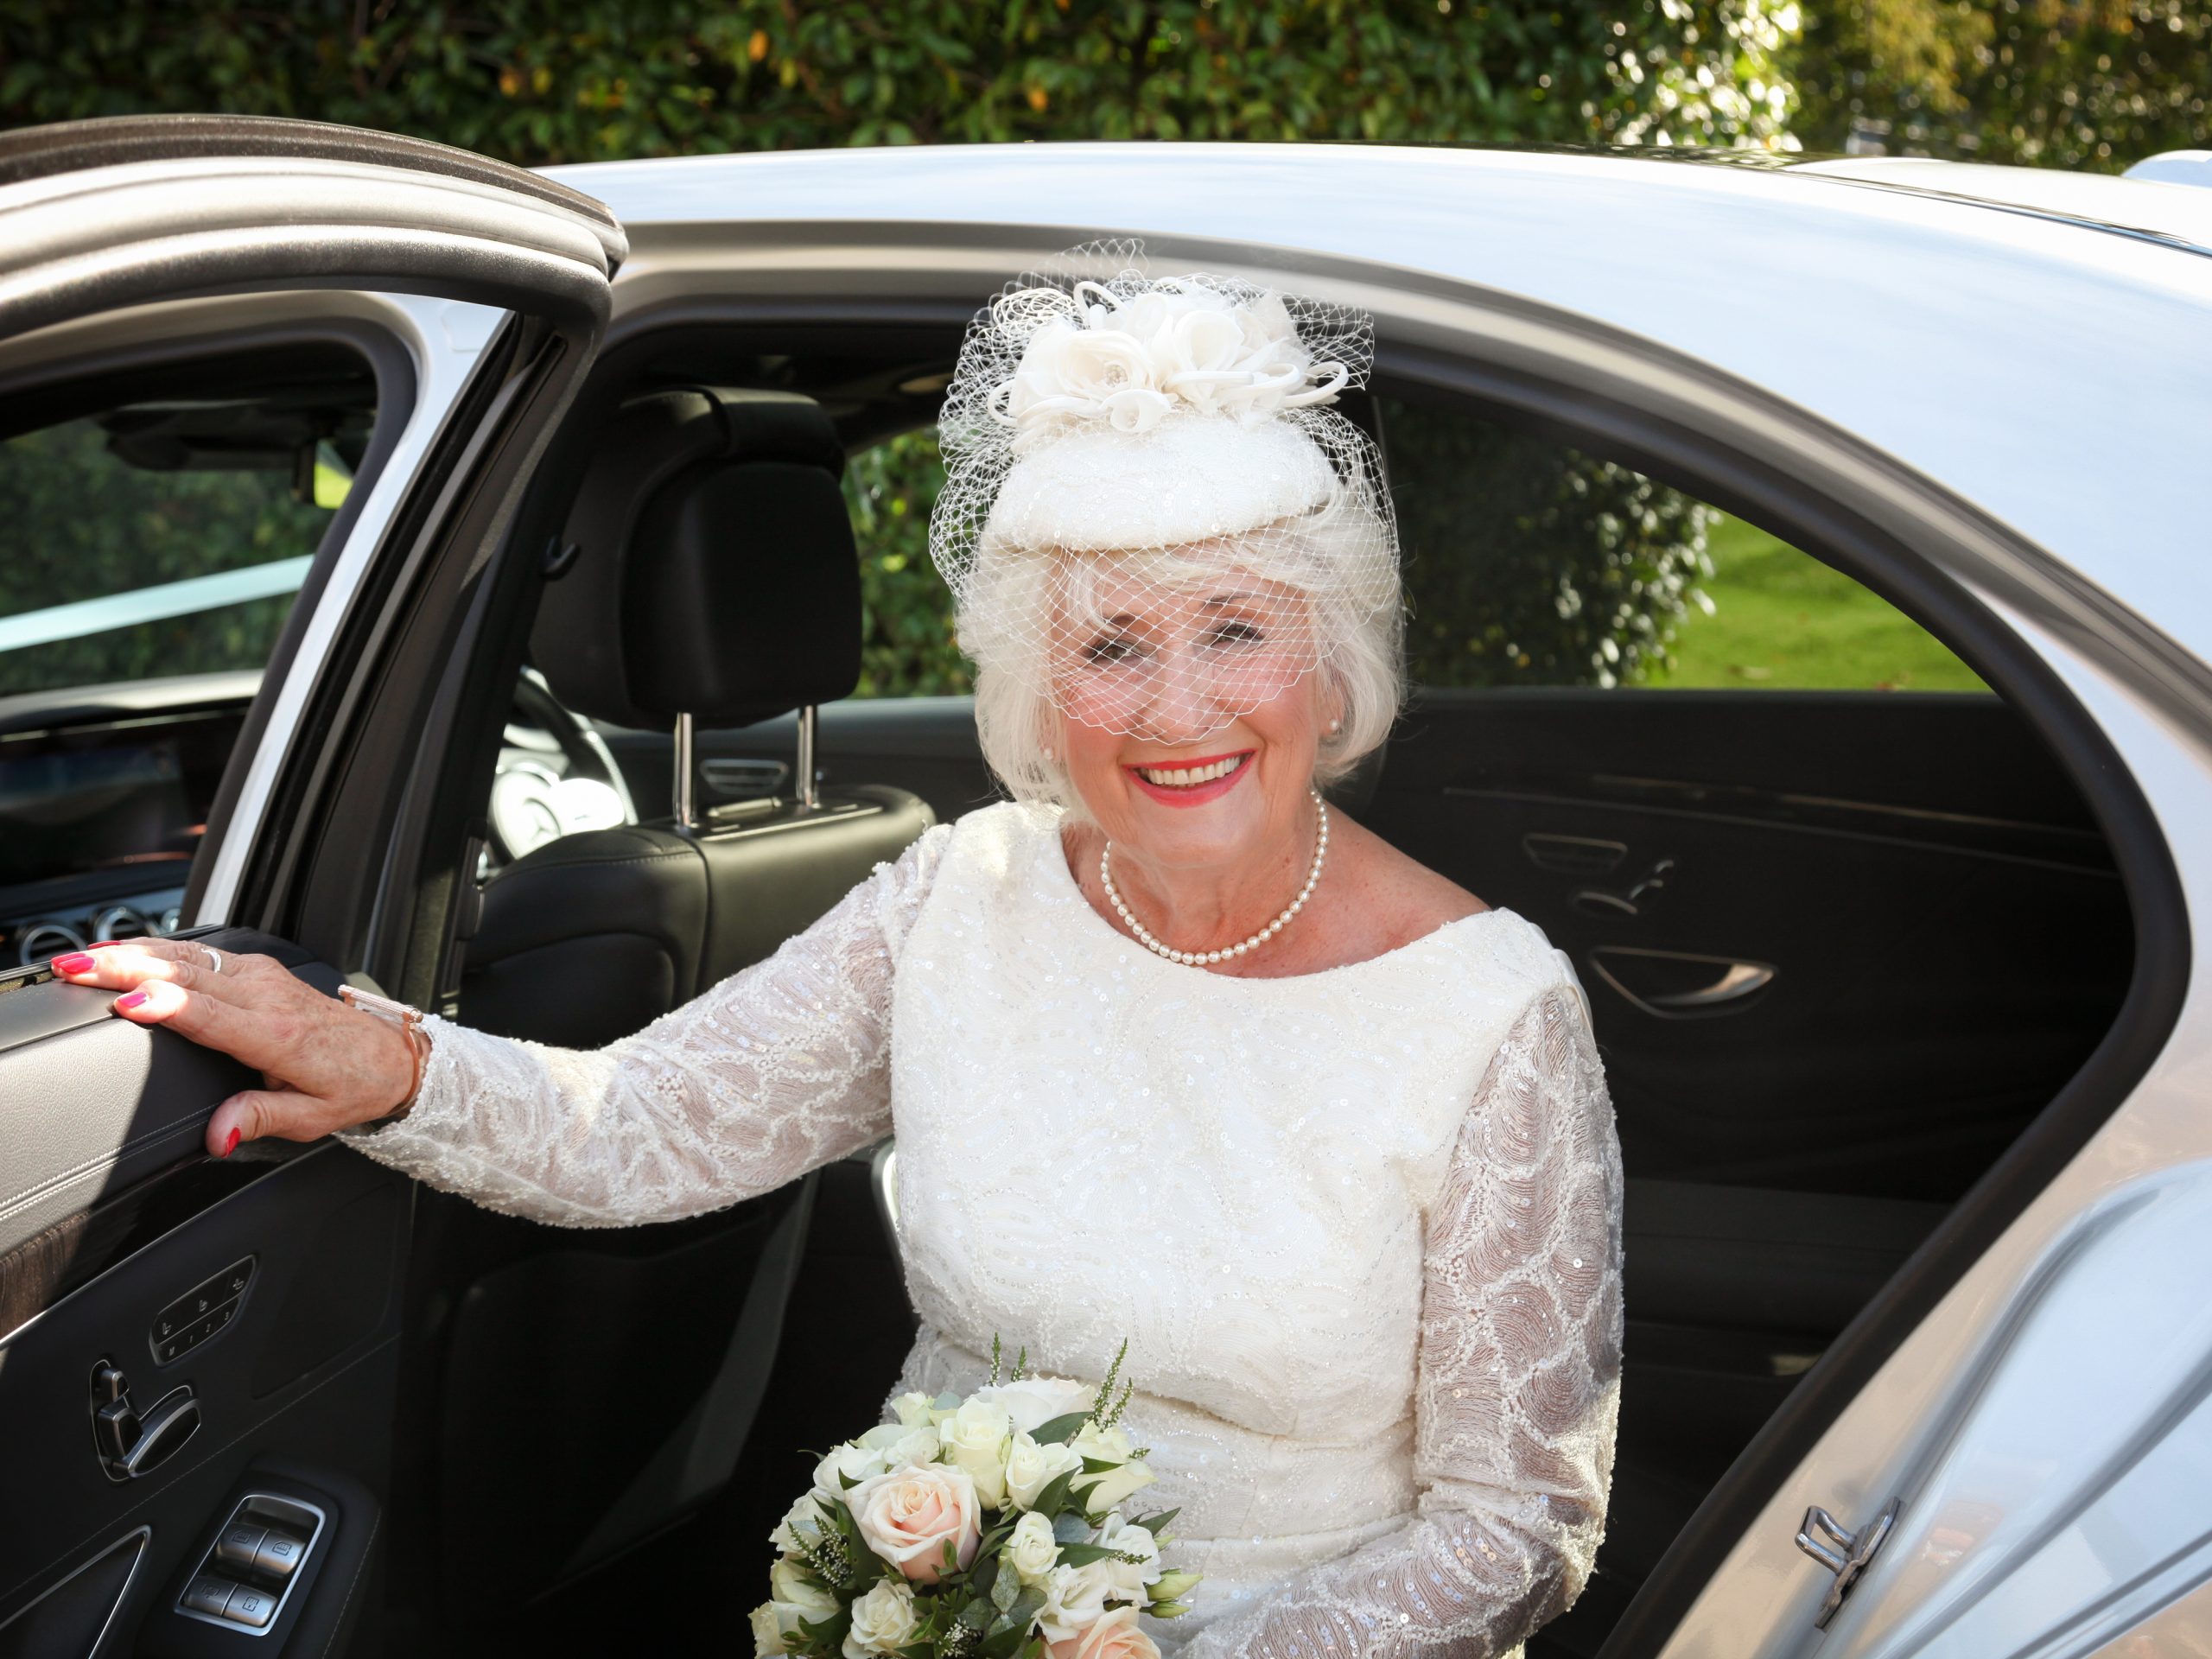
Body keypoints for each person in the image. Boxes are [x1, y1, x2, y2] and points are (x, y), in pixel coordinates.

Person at [56, 246, 1624, 1659]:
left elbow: (1511, 1527)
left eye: (1235, 628)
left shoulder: (1490, 1013)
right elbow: (645, 1128)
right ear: (1035, 685)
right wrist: (387, 1061)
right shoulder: (960, 896)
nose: (1177, 710)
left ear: (1331, 658)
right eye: (1109, 646)